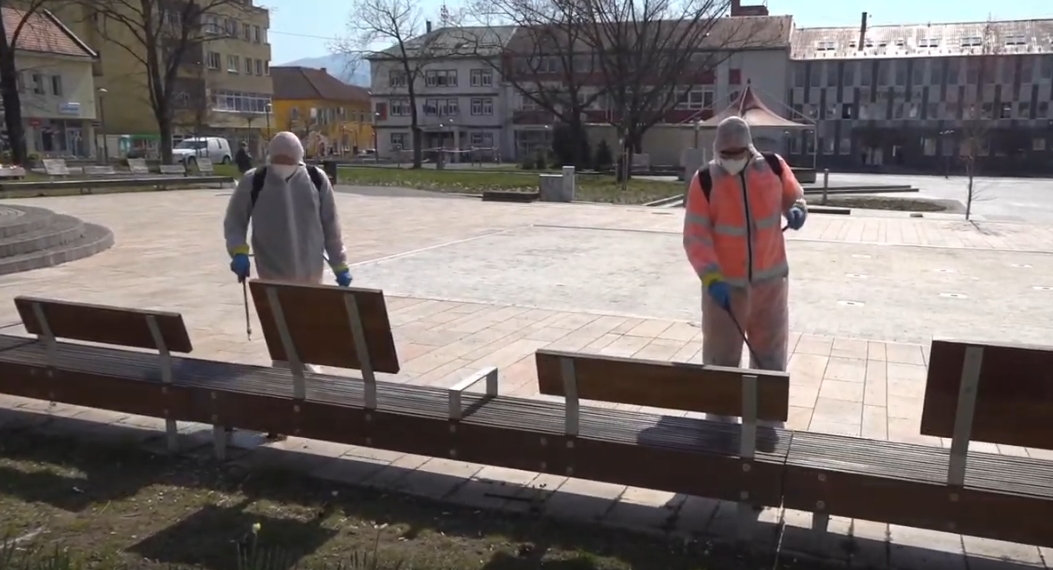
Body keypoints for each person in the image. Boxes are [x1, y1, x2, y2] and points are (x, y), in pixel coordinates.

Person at [223, 132, 351, 437]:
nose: (283, 167)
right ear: (270, 158)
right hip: (273, 272)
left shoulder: (316, 180)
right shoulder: (254, 181)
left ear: (299, 159)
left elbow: (331, 226)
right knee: (283, 339)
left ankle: (293, 400)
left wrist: (340, 263)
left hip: (309, 273)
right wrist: (239, 252)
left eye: (289, 162)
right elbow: (234, 222)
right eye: (279, 161)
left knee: (302, 335)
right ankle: (288, 406)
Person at [682, 116, 807, 425]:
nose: (733, 158)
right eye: (727, 153)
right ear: (717, 150)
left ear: (750, 147)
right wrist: (712, 278)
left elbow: (796, 195)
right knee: (722, 362)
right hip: (725, 289)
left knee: (770, 360)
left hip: (770, 285)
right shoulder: (705, 181)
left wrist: (798, 209)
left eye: (739, 152)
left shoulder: (774, 168)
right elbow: (695, 236)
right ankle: (720, 430)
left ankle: (767, 428)